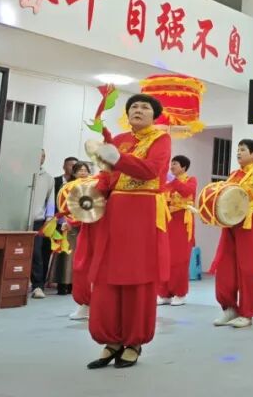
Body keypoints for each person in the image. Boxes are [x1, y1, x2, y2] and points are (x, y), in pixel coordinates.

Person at [85, 95, 172, 369]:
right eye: (134, 106)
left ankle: (134, 341)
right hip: (114, 211)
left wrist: (117, 157)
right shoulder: (120, 139)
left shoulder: (160, 139)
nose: (138, 110)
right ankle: (111, 340)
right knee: (108, 274)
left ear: (154, 115)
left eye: (145, 107)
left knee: (138, 275)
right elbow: (107, 174)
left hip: (142, 211)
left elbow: (151, 171)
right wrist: (90, 196)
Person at [210, 139, 253, 329]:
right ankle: (229, 308)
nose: (238, 153)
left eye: (243, 150)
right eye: (238, 149)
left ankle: (247, 313)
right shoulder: (233, 174)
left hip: (251, 225)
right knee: (225, 266)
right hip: (231, 225)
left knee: (249, 269)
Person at [158, 155, 197, 306]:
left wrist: (173, 181)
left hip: (183, 221)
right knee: (165, 257)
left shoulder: (191, 180)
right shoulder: (168, 183)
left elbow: (187, 192)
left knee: (180, 259)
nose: (172, 166)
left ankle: (180, 293)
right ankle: (164, 293)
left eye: (175, 164)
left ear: (184, 167)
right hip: (168, 220)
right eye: (171, 163)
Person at [30, 150, 67, 299]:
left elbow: (50, 201)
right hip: (17, 219)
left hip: (38, 220)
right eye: (38, 155)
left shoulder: (48, 178)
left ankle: (38, 286)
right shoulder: (20, 172)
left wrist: (49, 218)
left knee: (37, 254)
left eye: (43, 156)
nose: (41, 158)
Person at [60, 161, 93, 320]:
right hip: (84, 228)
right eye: (80, 170)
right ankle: (86, 304)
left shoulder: (96, 184)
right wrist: (69, 222)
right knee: (82, 266)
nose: (83, 172)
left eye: (85, 170)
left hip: (96, 228)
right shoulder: (71, 187)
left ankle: (92, 305)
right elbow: (69, 209)